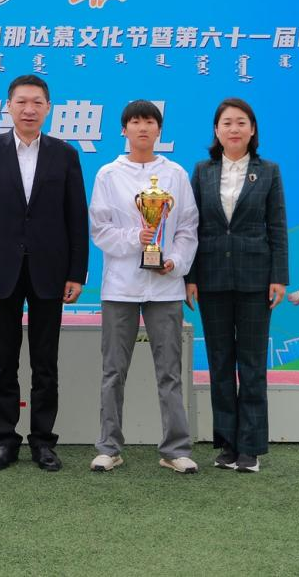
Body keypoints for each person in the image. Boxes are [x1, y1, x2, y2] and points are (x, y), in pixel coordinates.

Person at [0, 74, 89, 472]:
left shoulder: (65, 154)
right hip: (0, 270)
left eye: (37, 102)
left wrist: (77, 273)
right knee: (3, 361)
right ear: (9, 107)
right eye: (21, 102)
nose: (29, 109)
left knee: (45, 363)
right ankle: (5, 440)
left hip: (51, 270)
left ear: (48, 108)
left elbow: (76, 218)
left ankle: (43, 441)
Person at [87, 100, 199, 474]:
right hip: (120, 286)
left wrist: (175, 261)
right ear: (124, 130)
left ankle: (175, 449)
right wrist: (137, 237)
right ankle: (109, 447)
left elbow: (188, 228)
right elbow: (100, 229)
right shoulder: (108, 174)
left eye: (149, 122)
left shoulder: (176, 174)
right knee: (113, 371)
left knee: (170, 371)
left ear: (159, 130)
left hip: (165, 287)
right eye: (135, 122)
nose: (142, 128)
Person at [185, 97, 288, 474]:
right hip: (211, 278)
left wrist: (279, 277)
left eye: (241, 122)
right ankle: (227, 444)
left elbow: (277, 226)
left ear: (252, 129)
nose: (234, 129)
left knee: (253, 364)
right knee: (220, 363)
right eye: (227, 122)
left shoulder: (269, 171)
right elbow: (191, 227)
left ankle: (251, 448)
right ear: (216, 130)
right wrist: (190, 277)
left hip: (255, 279)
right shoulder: (203, 171)